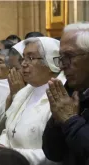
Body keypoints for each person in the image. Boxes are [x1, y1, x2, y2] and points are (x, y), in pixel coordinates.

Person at [0, 37, 66, 165]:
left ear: (49, 62)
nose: (24, 64)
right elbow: (9, 130)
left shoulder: (62, 95)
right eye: (23, 59)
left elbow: (56, 152)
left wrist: (10, 154)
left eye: (30, 58)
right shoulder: (24, 92)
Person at [42, 23, 89, 165]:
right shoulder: (69, 91)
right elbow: (52, 153)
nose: (62, 65)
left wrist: (70, 120)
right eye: (61, 57)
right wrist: (56, 123)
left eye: (69, 56)